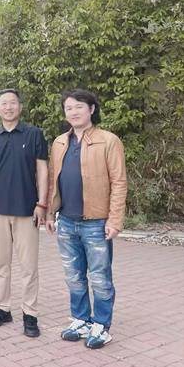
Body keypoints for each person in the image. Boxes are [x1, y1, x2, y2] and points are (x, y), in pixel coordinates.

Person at [46, 89, 127, 349]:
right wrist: (50, 213)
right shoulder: (60, 142)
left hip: (96, 222)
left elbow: (119, 182)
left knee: (100, 277)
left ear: (91, 109)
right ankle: (80, 319)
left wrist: (114, 220)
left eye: (79, 106)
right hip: (66, 221)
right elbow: (53, 180)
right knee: (74, 276)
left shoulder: (108, 140)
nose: (74, 112)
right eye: (68, 108)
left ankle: (101, 325)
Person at [0, 89, 48, 338]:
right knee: (0, 264)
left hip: (27, 209)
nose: (8, 107)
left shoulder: (33, 134)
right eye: (4, 103)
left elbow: (42, 169)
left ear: (20, 106)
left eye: (13, 103)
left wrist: (42, 203)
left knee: (29, 266)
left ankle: (30, 313)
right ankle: (2, 308)